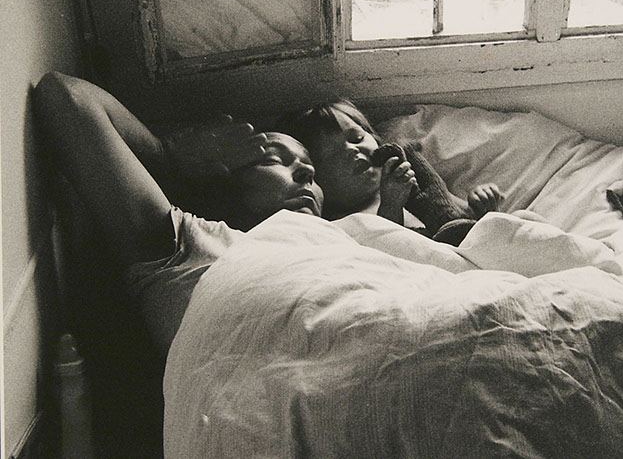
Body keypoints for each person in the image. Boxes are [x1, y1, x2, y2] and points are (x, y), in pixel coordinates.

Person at [34, 71, 324, 356]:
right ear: (224, 183)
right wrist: (164, 155)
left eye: (310, 165)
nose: (308, 171)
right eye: (274, 159)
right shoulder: (196, 245)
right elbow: (65, 95)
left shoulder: (341, 240)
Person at [279, 99, 505, 245]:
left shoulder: (414, 184)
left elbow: (459, 219)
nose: (351, 150)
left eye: (356, 138)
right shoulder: (343, 222)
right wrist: (391, 206)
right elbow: (387, 250)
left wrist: (482, 205)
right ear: (318, 182)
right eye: (332, 154)